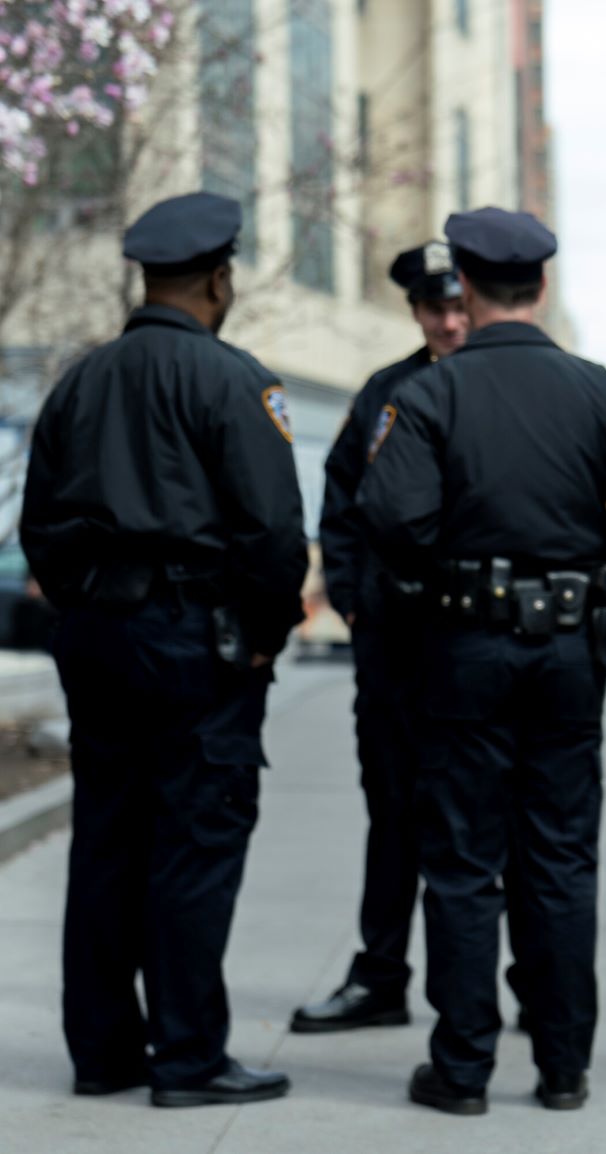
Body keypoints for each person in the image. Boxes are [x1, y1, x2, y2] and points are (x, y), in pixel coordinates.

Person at [357, 206, 606, 1116]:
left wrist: (452, 559)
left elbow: (390, 517)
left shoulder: (428, 395)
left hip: (463, 646)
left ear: (462, 286)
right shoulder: (596, 391)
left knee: (462, 861)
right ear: (540, 287)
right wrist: (591, 541)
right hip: (570, 650)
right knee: (559, 857)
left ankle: (462, 1070)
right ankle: (562, 1066)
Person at [21, 192, 307, 1107]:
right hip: (196, 641)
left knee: (107, 838)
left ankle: (103, 1053)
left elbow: (39, 527)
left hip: (100, 637)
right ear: (220, 278)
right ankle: (188, 1058)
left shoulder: (79, 380)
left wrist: (88, 609)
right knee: (194, 842)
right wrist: (262, 639)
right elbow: (272, 534)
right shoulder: (233, 380)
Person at [291, 242, 469, 1034]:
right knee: (393, 812)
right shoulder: (383, 395)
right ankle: (382, 974)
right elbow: (342, 502)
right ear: (416, 312)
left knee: (498, 816)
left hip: (480, 641)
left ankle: (536, 983)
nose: (452, 322)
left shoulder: (505, 384)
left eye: (462, 306)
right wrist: (356, 599)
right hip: (394, 645)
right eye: (437, 309)